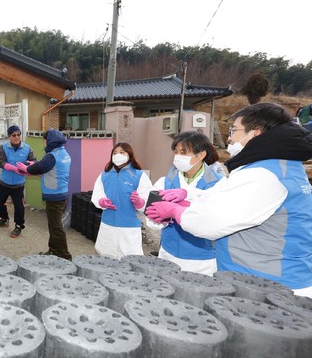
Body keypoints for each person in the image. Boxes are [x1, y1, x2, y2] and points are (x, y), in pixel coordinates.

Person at [146, 103, 312, 296]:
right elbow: (225, 200)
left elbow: (208, 221)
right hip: (258, 278)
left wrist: (174, 210)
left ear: (255, 134)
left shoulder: (263, 175)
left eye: (234, 130)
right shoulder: (277, 167)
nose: (229, 137)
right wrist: (189, 195)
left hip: (269, 284)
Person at [147, 132, 223, 275]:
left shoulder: (218, 184)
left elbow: (217, 220)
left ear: (200, 155)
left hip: (202, 260)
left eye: (183, 152)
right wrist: (159, 218)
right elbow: (150, 221)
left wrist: (182, 205)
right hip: (168, 253)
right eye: (176, 152)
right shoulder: (165, 182)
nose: (178, 157)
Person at [90, 142, 152, 259]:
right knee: (106, 257)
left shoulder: (139, 176)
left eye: (122, 152)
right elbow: (97, 194)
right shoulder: (105, 175)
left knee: (129, 259)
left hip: (129, 227)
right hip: (108, 224)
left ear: (129, 155)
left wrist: (140, 202)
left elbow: (148, 200)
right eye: (115, 153)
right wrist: (101, 201)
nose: (117, 155)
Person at [17, 128, 72, 260]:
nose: (44, 143)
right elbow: (48, 168)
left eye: (45, 140)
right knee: (54, 225)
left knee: (56, 226)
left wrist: (26, 168)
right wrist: (33, 164)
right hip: (62, 193)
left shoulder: (51, 156)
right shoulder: (63, 153)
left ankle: (65, 255)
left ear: (50, 141)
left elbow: (40, 167)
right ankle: (53, 250)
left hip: (54, 196)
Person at [0, 125, 36, 238]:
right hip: (4, 182)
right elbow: (0, 162)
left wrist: (25, 167)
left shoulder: (27, 148)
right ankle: (4, 219)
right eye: (14, 135)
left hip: (18, 184)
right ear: (9, 136)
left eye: (18, 134)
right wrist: (13, 168)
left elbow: (33, 162)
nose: (17, 137)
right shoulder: (3, 147)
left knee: (19, 206)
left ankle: (19, 226)